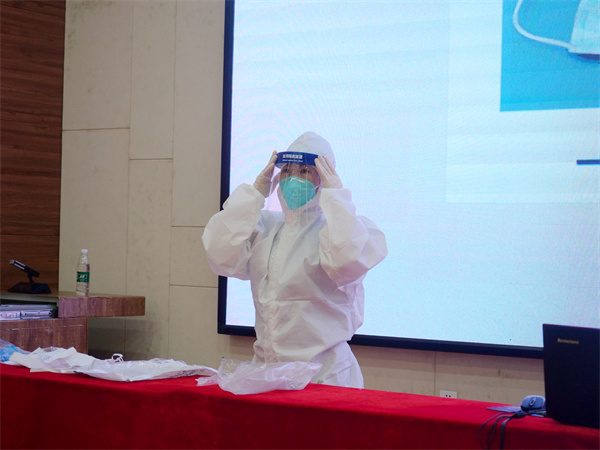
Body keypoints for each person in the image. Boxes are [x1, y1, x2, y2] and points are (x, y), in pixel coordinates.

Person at [202, 132, 388, 388]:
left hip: (325, 377)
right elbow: (219, 253)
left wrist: (335, 197)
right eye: (287, 170)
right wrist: (254, 195)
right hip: (268, 373)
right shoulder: (267, 228)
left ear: (324, 177)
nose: (293, 178)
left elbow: (346, 263)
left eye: (305, 171)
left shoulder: (344, 230)